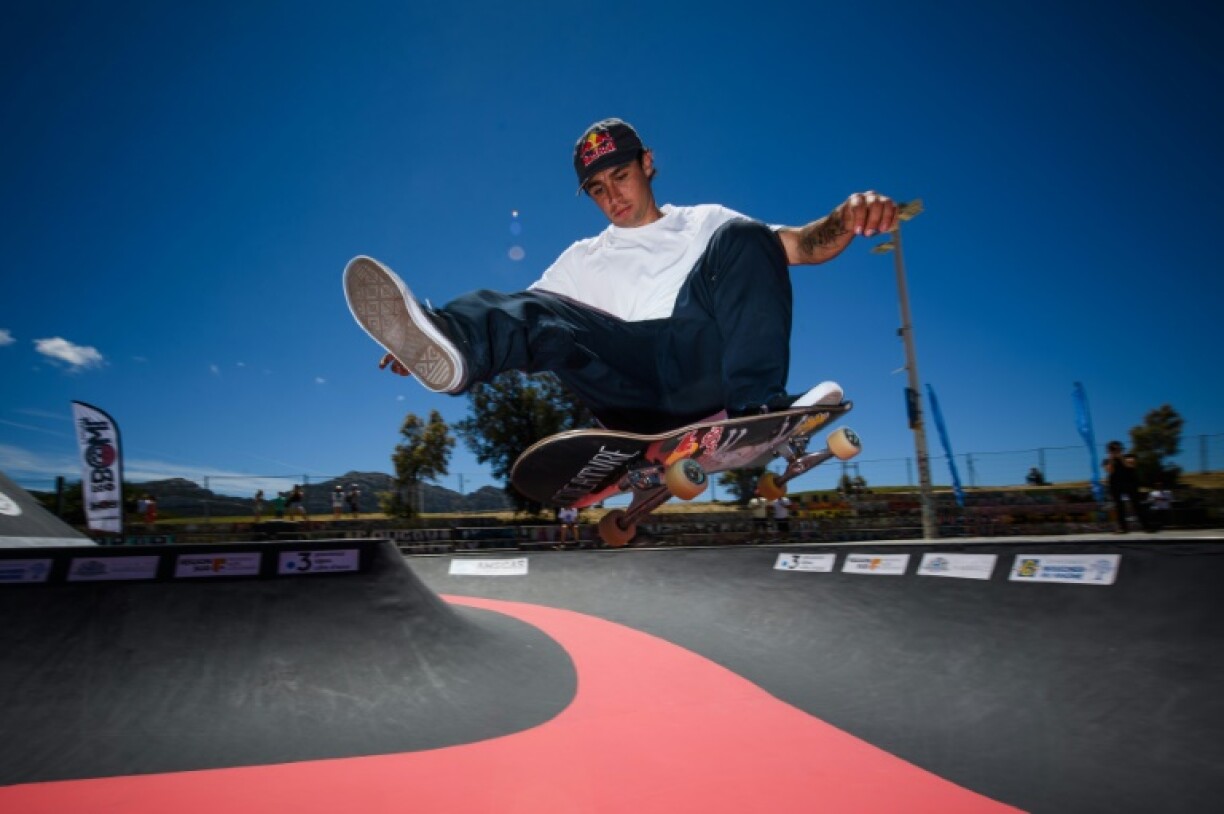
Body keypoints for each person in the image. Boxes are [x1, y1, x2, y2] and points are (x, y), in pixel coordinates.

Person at [345, 118, 897, 434]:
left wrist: (843, 220)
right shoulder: (582, 258)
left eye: (621, 176)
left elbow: (800, 246)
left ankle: (754, 410)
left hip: (700, 366)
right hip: (627, 388)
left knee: (750, 237)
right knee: (539, 313)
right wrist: (421, 341)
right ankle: (448, 339)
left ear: (647, 163)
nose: (613, 197)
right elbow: (518, 319)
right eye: (599, 190)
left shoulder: (704, 222)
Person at [1102, 441, 1147, 533]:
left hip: (1130, 483)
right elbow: (1110, 470)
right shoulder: (1107, 460)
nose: (1115, 451)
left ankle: (1147, 525)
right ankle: (1122, 528)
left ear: (1121, 449)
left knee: (1136, 504)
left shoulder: (1129, 456)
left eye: (1117, 448)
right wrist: (1111, 458)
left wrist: (1120, 457)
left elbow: (1130, 465)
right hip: (1115, 484)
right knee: (1119, 506)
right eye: (1112, 449)